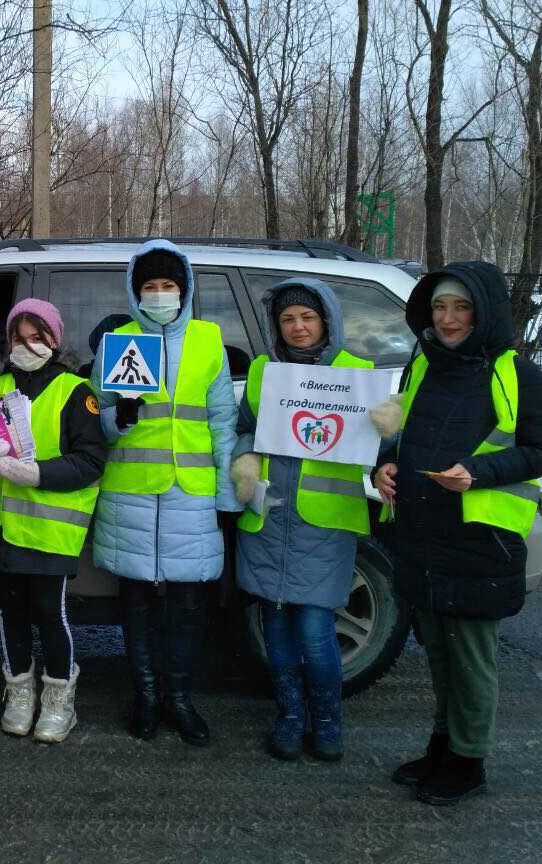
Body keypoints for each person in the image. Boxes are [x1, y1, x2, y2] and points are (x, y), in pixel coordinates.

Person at [372, 263, 542, 805]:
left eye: (461, 308)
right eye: (439, 307)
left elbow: (541, 451)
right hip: (422, 533)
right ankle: (443, 747)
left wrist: (477, 472)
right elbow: (402, 433)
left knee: (471, 659)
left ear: (484, 313)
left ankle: (468, 762)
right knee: (439, 653)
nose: (448, 319)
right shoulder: (424, 364)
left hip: (480, 541)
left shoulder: (516, 372)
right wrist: (385, 465)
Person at [230, 279, 392, 762]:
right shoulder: (263, 370)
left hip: (324, 524)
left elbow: (381, 451)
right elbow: (244, 428)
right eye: (287, 319)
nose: (297, 327)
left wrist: (390, 431)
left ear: (326, 320)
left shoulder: (357, 374)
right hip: (269, 519)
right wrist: (244, 459)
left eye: (306, 317)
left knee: (317, 632)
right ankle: (289, 717)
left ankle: (326, 721)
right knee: (277, 630)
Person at [89, 240, 241, 744]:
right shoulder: (119, 341)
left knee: (188, 602)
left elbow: (222, 421)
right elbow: (98, 417)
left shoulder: (207, 339)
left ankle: (179, 698)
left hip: (191, 491)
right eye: (150, 286)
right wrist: (119, 415)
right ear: (136, 293)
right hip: (131, 491)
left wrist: (227, 494)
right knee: (135, 599)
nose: (159, 294)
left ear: (185, 289)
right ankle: (147, 697)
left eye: (168, 285)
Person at [0, 299, 106, 743]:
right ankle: (19, 692)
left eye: (36, 337)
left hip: (49, 527)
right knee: (11, 613)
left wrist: (38, 473)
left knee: (48, 612)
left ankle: (60, 697)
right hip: (1, 527)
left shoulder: (74, 390)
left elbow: (91, 461)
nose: (26, 346)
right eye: (18, 338)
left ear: (54, 341)